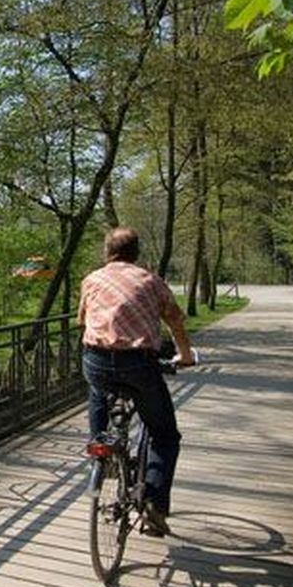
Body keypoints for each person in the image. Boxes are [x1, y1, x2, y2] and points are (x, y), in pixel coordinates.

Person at [77, 227, 194, 537]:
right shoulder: (151, 281)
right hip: (139, 363)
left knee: (97, 389)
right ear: (136, 252)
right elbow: (176, 322)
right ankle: (155, 503)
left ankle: (99, 444)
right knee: (164, 434)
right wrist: (184, 355)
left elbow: (81, 319)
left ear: (107, 252)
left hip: (96, 359)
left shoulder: (91, 279)